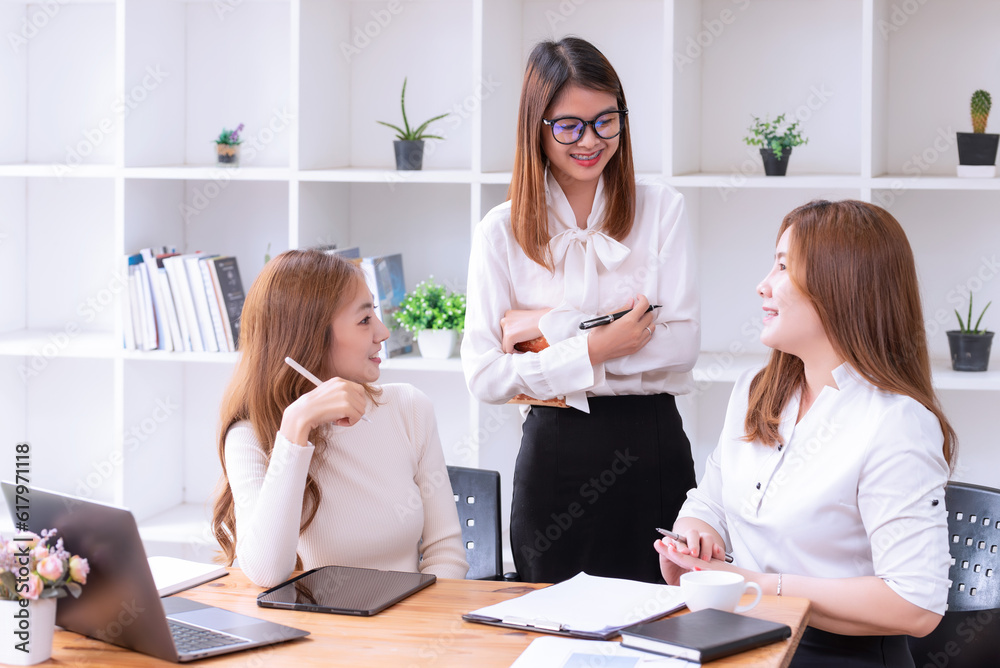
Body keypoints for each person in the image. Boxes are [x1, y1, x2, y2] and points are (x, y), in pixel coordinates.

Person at [655, 200, 955, 667]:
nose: (762, 285)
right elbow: (710, 503)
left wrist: (758, 586)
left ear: (840, 285)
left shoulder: (896, 423)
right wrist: (693, 539)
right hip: (737, 637)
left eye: (782, 266)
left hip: (837, 656)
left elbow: (916, 605)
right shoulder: (755, 390)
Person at [462, 37, 699, 584]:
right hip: (555, 454)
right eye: (569, 126)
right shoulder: (499, 231)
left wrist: (550, 328)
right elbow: (485, 375)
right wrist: (599, 345)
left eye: (605, 121)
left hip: (654, 446)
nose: (590, 140)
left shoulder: (662, 209)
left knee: (666, 619)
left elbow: (682, 344)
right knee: (552, 622)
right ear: (536, 127)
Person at [212, 249, 468, 587]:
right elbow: (266, 572)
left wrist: (423, 618)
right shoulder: (249, 436)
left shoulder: (409, 408)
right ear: (307, 336)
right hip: (312, 621)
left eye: (374, 315)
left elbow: (446, 553)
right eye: (364, 320)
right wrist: (296, 428)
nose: (383, 332)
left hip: (410, 617)